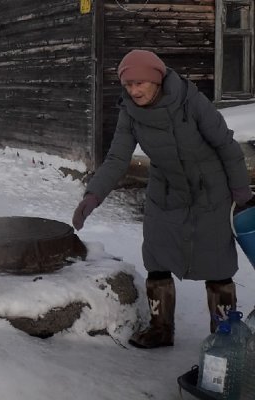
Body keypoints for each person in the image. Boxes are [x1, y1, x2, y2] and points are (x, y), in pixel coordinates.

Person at [72, 49, 253, 349]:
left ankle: (224, 336)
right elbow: (118, 157)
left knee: (217, 264)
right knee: (156, 257)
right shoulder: (129, 112)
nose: (133, 90)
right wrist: (93, 194)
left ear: (156, 80)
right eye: (128, 85)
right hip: (165, 191)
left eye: (139, 83)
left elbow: (226, 145)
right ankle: (161, 329)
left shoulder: (190, 102)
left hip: (209, 191)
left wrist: (241, 191)